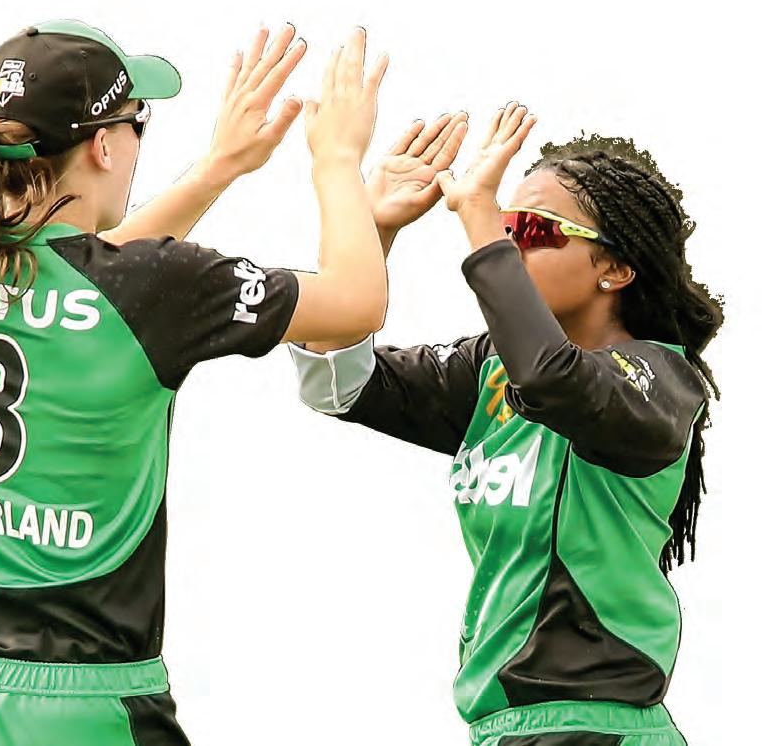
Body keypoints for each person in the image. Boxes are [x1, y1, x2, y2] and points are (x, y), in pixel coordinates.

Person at [0, 19, 405, 746]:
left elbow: (84, 272)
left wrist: (218, 169)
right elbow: (356, 302)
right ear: (102, 145)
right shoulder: (156, 288)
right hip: (77, 709)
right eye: (137, 122)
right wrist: (336, 160)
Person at [291, 104, 723, 745]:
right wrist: (370, 232)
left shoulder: (661, 380)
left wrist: (478, 222)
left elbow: (554, 379)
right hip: (500, 730)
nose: (509, 240)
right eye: (505, 224)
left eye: (532, 228)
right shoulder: (490, 372)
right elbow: (336, 382)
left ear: (615, 269)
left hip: (597, 730)